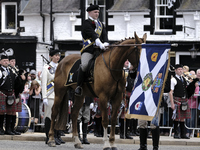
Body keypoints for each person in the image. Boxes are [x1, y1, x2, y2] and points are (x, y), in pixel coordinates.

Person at [75, 3, 109, 96]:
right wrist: (99, 43)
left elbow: (105, 36)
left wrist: (106, 43)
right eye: (95, 12)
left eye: (98, 12)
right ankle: (79, 86)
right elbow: (93, 34)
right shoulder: (86, 23)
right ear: (89, 13)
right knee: (85, 65)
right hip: (89, 50)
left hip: (100, 50)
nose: (97, 14)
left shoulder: (101, 24)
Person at [169, 64, 199, 139]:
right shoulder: (173, 80)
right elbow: (170, 92)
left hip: (184, 100)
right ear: (175, 70)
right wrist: (172, 103)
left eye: (181, 69)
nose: (180, 71)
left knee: (183, 118)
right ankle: (175, 133)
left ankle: (183, 134)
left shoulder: (184, 78)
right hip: (177, 100)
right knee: (176, 117)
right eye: (179, 69)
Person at [41, 49, 64, 145]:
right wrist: (44, 97)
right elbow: (44, 83)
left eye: (58, 55)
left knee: (57, 117)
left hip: (59, 96)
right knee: (49, 117)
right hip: (50, 95)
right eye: (55, 55)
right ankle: (48, 136)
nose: (57, 57)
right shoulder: (47, 68)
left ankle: (56, 135)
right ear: (51, 56)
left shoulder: (61, 67)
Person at [0, 55, 25, 135]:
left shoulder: (11, 70)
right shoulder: (0, 70)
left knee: (11, 111)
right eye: (4, 61)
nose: (6, 62)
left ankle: (9, 129)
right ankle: (0, 129)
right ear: (0, 62)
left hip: (11, 93)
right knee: (1, 112)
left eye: (7, 61)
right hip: (2, 92)